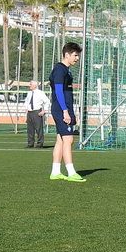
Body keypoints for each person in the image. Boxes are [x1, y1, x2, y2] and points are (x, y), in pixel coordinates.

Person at [49, 42, 85, 182]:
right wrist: (65, 111)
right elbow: (58, 91)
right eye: (75, 55)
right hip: (61, 109)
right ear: (67, 55)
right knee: (68, 139)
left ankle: (55, 172)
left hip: (65, 108)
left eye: (78, 56)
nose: (77, 58)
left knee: (60, 140)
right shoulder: (60, 69)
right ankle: (71, 172)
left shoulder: (66, 70)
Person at [24, 80, 48, 148]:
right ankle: (30, 143)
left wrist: (44, 110)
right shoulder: (29, 93)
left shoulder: (40, 93)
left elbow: (47, 101)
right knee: (30, 129)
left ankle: (40, 143)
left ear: (35, 85)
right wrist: (26, 108)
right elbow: (27, 101)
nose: (29, 85)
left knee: (39, 129)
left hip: (37, 112)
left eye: (31, 84)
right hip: (30, 112)